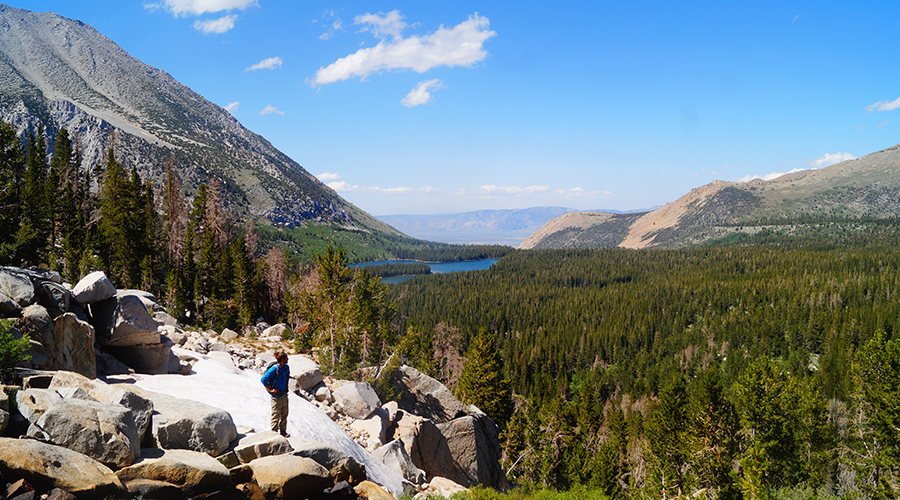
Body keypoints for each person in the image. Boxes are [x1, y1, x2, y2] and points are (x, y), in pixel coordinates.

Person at [261, 351, 290, 437]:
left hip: (284, 395)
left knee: (284, 414)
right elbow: (263, 379)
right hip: (276, 397)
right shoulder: (274, 369)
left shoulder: (286, 368)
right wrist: (271, 390)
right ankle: (273, 434)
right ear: (282, 360)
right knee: (276, 415)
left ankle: (283, 432)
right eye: (286, 358)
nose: (287, 359)